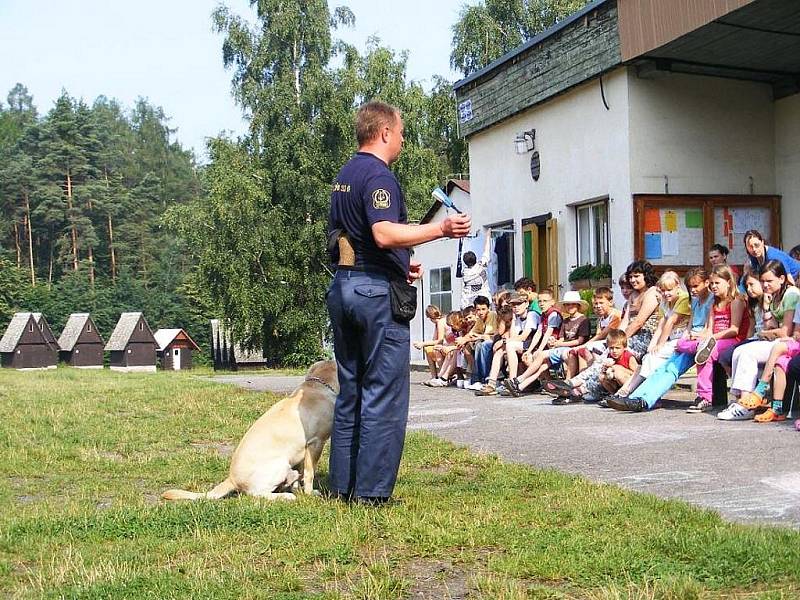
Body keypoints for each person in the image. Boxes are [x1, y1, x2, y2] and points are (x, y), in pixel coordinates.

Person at [326, 101, 470, 503]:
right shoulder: (378, 175)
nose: (404, 140)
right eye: (402, 132)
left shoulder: (345, 175)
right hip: (373, 295)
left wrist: (399, 265)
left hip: (345, 286)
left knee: (351, 389)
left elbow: (352, 239)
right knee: (383, 392)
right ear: (385, 132)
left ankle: (341, 487)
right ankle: (371, 494)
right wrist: (440, 228)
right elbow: (385, 232)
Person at [608, 267, 714, 412]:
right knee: (664, 368)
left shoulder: (710, 300)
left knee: (671, 369)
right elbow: (689, 324)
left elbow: (708, 327)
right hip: (688, 341)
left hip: (700, 341)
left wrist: (697, 336)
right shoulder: (694, 301)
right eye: (690, 287)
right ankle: (637, 397)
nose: (692, 290)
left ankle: (645, 400)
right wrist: (685, 338)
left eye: (695, 286)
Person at [677, 265, 750, 413]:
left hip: (734, 339)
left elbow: (734, 330)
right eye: (712, 283)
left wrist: (710, 339)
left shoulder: (736, 301)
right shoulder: (714, 303)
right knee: (690, 345)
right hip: (716, 339)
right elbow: (709, 328)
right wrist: (701, 336)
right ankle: (697, 349)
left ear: (729, 282)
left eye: (717, 283)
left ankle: (705, 397)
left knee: (708, 351)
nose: (714, 287)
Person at [729, 260, 799, 411]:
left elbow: (785, 331)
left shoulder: (791, 294)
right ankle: (741, 399)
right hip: (777, 339)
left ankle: (747, 405)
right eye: (762, 281)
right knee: (738, 352)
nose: (765, 285)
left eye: (769, 281)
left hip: (786, 342)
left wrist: (765, 333)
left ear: (781, 279)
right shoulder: (774, 295)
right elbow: (771, 326)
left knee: (748, 353)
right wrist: (767, 308)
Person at [614, 271, 690, 399]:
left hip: (681, 339)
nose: (666, 293)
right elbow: (661, 324)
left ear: (678, 286)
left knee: (651, 360)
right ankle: (626, 391)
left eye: (669, 290)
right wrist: (653, 344)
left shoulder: (683, 298)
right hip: (672, 339)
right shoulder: (665, 300)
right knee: (648, 358)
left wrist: (659, 345)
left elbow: (671, 321)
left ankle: (634, 393)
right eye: (663, 290)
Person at [506, 290, 590, 398]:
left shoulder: (581, 320)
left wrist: (556, 344)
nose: (570, 306)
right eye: (567, 304)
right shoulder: (564, 320)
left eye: (573, 304)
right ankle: (520, 385)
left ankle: (520, 380)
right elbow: (557, 337)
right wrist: (554, 343)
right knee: (543, 364)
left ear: (578, 305)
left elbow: (579, 341)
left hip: (573, 349)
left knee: (541, 356)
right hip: (560, 348)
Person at [475, 291, 539, 396]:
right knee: (500, 350)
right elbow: (514, 336)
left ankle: (512, 381)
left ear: (526, 304)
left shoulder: (532, 315)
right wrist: (513, 319)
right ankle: (491, 383)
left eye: (519, 304)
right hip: (522, 345)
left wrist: (504, 341)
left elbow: (524, 336)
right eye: (513, 305)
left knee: (508, 345)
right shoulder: (517, 318)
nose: (516, 307)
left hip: (532, 344)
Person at [565, 286, 622, 379]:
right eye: (596, 303)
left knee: (589, 349)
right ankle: (580, 378)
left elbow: (601, 335)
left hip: (613, 345)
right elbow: (598, 335)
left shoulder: (615, 316)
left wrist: (584, 345)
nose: (598, 306)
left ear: (610, 302)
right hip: (603, 344)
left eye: (601, 303)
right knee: (581, 351)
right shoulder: (601, 319)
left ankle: (589, 378)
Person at [598, 329, 638, 396]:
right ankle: (613, 394)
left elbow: (636, 374)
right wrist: (605, 369)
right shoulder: (610, 356)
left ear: (624, 347)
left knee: (618, 374)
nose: (614, 351)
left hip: (629, 382)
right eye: (611, 348)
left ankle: (628, 395)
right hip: (616, 382)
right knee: (602, 377)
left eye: (617, 348)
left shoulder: (628, 357)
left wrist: (621, 369)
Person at [413, 305, 447, 379]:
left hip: (446, 345)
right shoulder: (437, 323)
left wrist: (422, 343)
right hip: (444, 344)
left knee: (436, 349)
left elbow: (439, 340)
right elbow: (434, 339)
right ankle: (434, 376)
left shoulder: (441, 322)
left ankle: (442, 375)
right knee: (428, 349)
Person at [460, 233, 492, 309]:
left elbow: (463, 291)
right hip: (485, 300)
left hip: (469, 303)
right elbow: (486, 252)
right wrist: (488, 236)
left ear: (465, 262)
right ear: (475, 259)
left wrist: (462, 306)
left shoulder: (464, 274)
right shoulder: (481, 267)